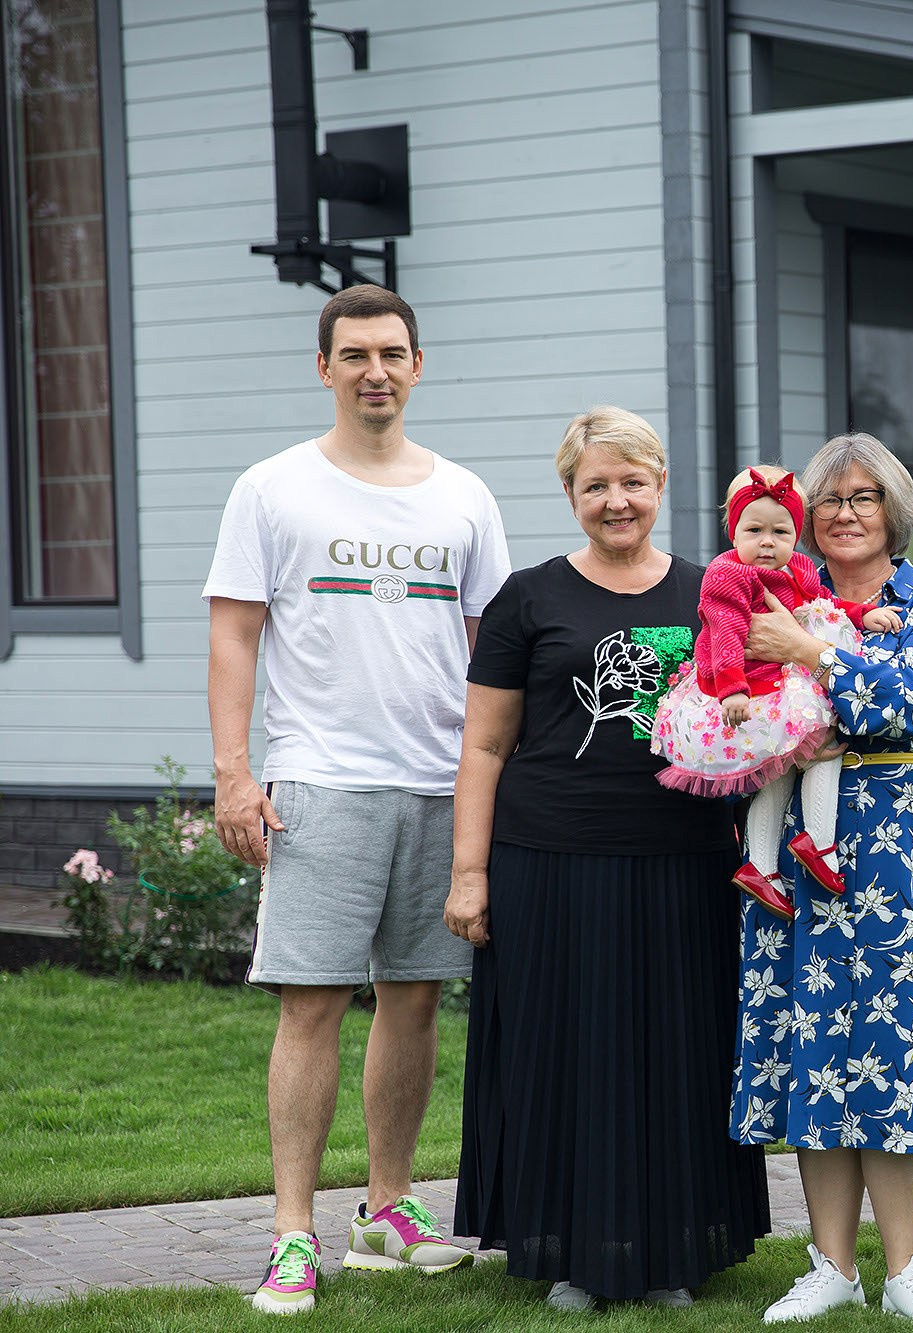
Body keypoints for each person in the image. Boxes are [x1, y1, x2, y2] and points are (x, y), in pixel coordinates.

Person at [203, 285, 510, 1316]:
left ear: (419, 365)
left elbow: (490, 654)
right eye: (355, 354)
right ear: (324, 367)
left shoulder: (463, 494)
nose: (375, 369)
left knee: (416, 999)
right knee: (313, 1001)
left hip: (438, 782)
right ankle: (292, 1233)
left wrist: (496, 787)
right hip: (320, 782)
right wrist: (234, 773)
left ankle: (388, 1206)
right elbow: (235, 635)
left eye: (392, 351)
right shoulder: (272, 488)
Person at [442, 407, 771, 1312]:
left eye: (633, 481)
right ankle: (576, 1254)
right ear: (571, 495)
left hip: (686, 861)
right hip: (549, 859)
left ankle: (673, 1252)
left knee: (678, 1051)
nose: (617, 500)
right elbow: (483, 747)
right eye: (597, 485)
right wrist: (470, 873)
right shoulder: (528, 597)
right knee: (565, 1052)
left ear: (661, 486)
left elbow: (766, 713)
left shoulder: (716, 593)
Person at [726, 433, 913, 1327]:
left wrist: (815, 654)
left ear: (894, 510)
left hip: (900, 841)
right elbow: (738, 692)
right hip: (797, 838)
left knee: (895, 1039)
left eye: (864, 496)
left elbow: (907, 705)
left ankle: (909, 1266)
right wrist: (796, 672)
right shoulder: (772, 592)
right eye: (829, 499)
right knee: (815, 1043)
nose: (844, 513)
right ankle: (831, 1262)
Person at [654, 464, 901, 919]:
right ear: (733, 532)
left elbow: (820, 605)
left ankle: (761, 867)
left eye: (780, 531)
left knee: (782, 768)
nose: (767, 542)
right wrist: (732, 689)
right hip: (745, 689)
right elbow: (725, 631)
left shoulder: (800, 567)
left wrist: (860, 614)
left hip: (779, 683)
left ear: (796, 534)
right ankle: (818, 845)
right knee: (822, 746)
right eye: (754, 530)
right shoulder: (727, 574)